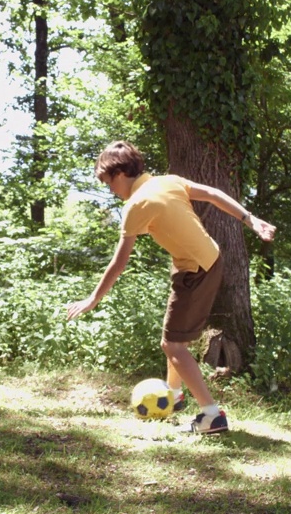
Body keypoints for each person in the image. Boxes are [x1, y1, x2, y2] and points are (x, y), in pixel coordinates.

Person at [65, 140, 276, 433]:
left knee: (172, 345)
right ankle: (173, 396)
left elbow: (119, 262)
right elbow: (213, 194)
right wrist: (249, 219)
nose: (109, 188)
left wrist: (92, 299)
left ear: (121, 172)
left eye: (107, 181)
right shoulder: (168, 181)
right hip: (207, 260)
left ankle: (211, 415)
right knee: (174, 336)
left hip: (195, 269)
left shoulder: (137, 205)